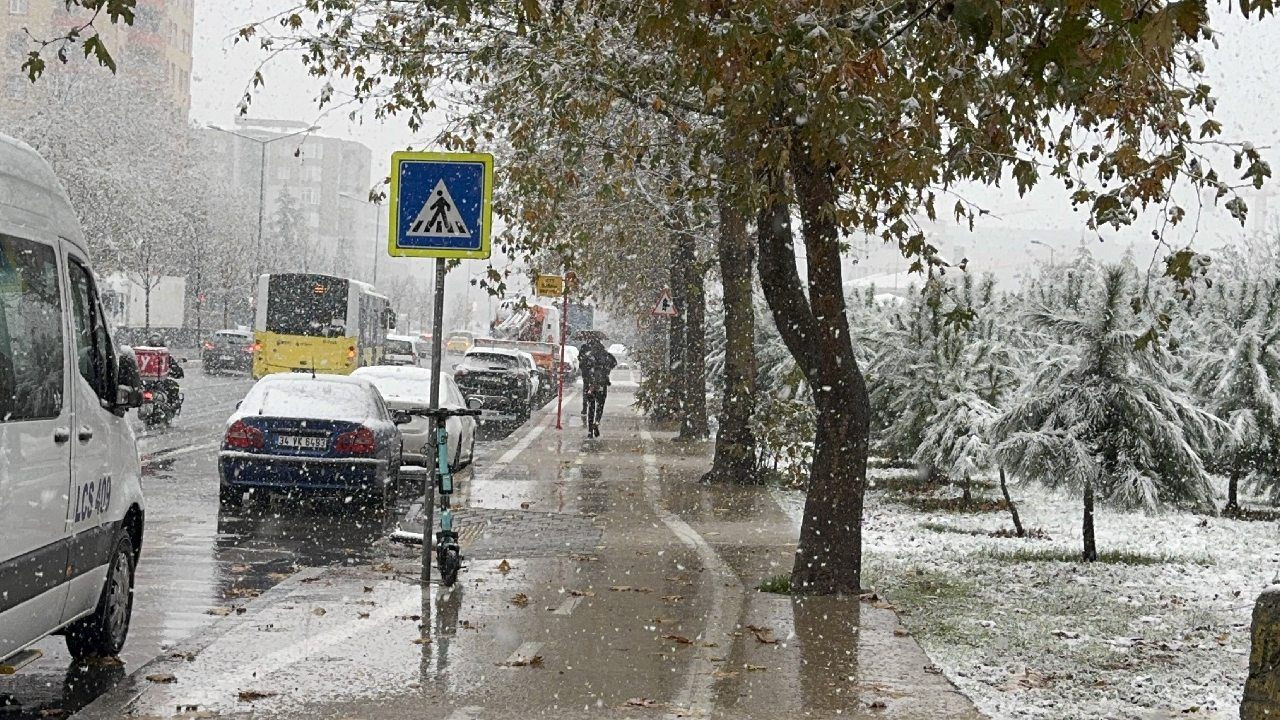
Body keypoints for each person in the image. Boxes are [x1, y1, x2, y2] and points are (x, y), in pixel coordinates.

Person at [578, 335, 617, 438]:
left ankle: (590, 430)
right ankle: (597, 421)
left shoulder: (589, 355)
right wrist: (606, 371)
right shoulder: (606, 355)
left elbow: (581, 365)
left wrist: (587, 375)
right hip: (602, 384)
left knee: (591, 406)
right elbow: (614, 362)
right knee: (600, 405)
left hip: (591, 384)